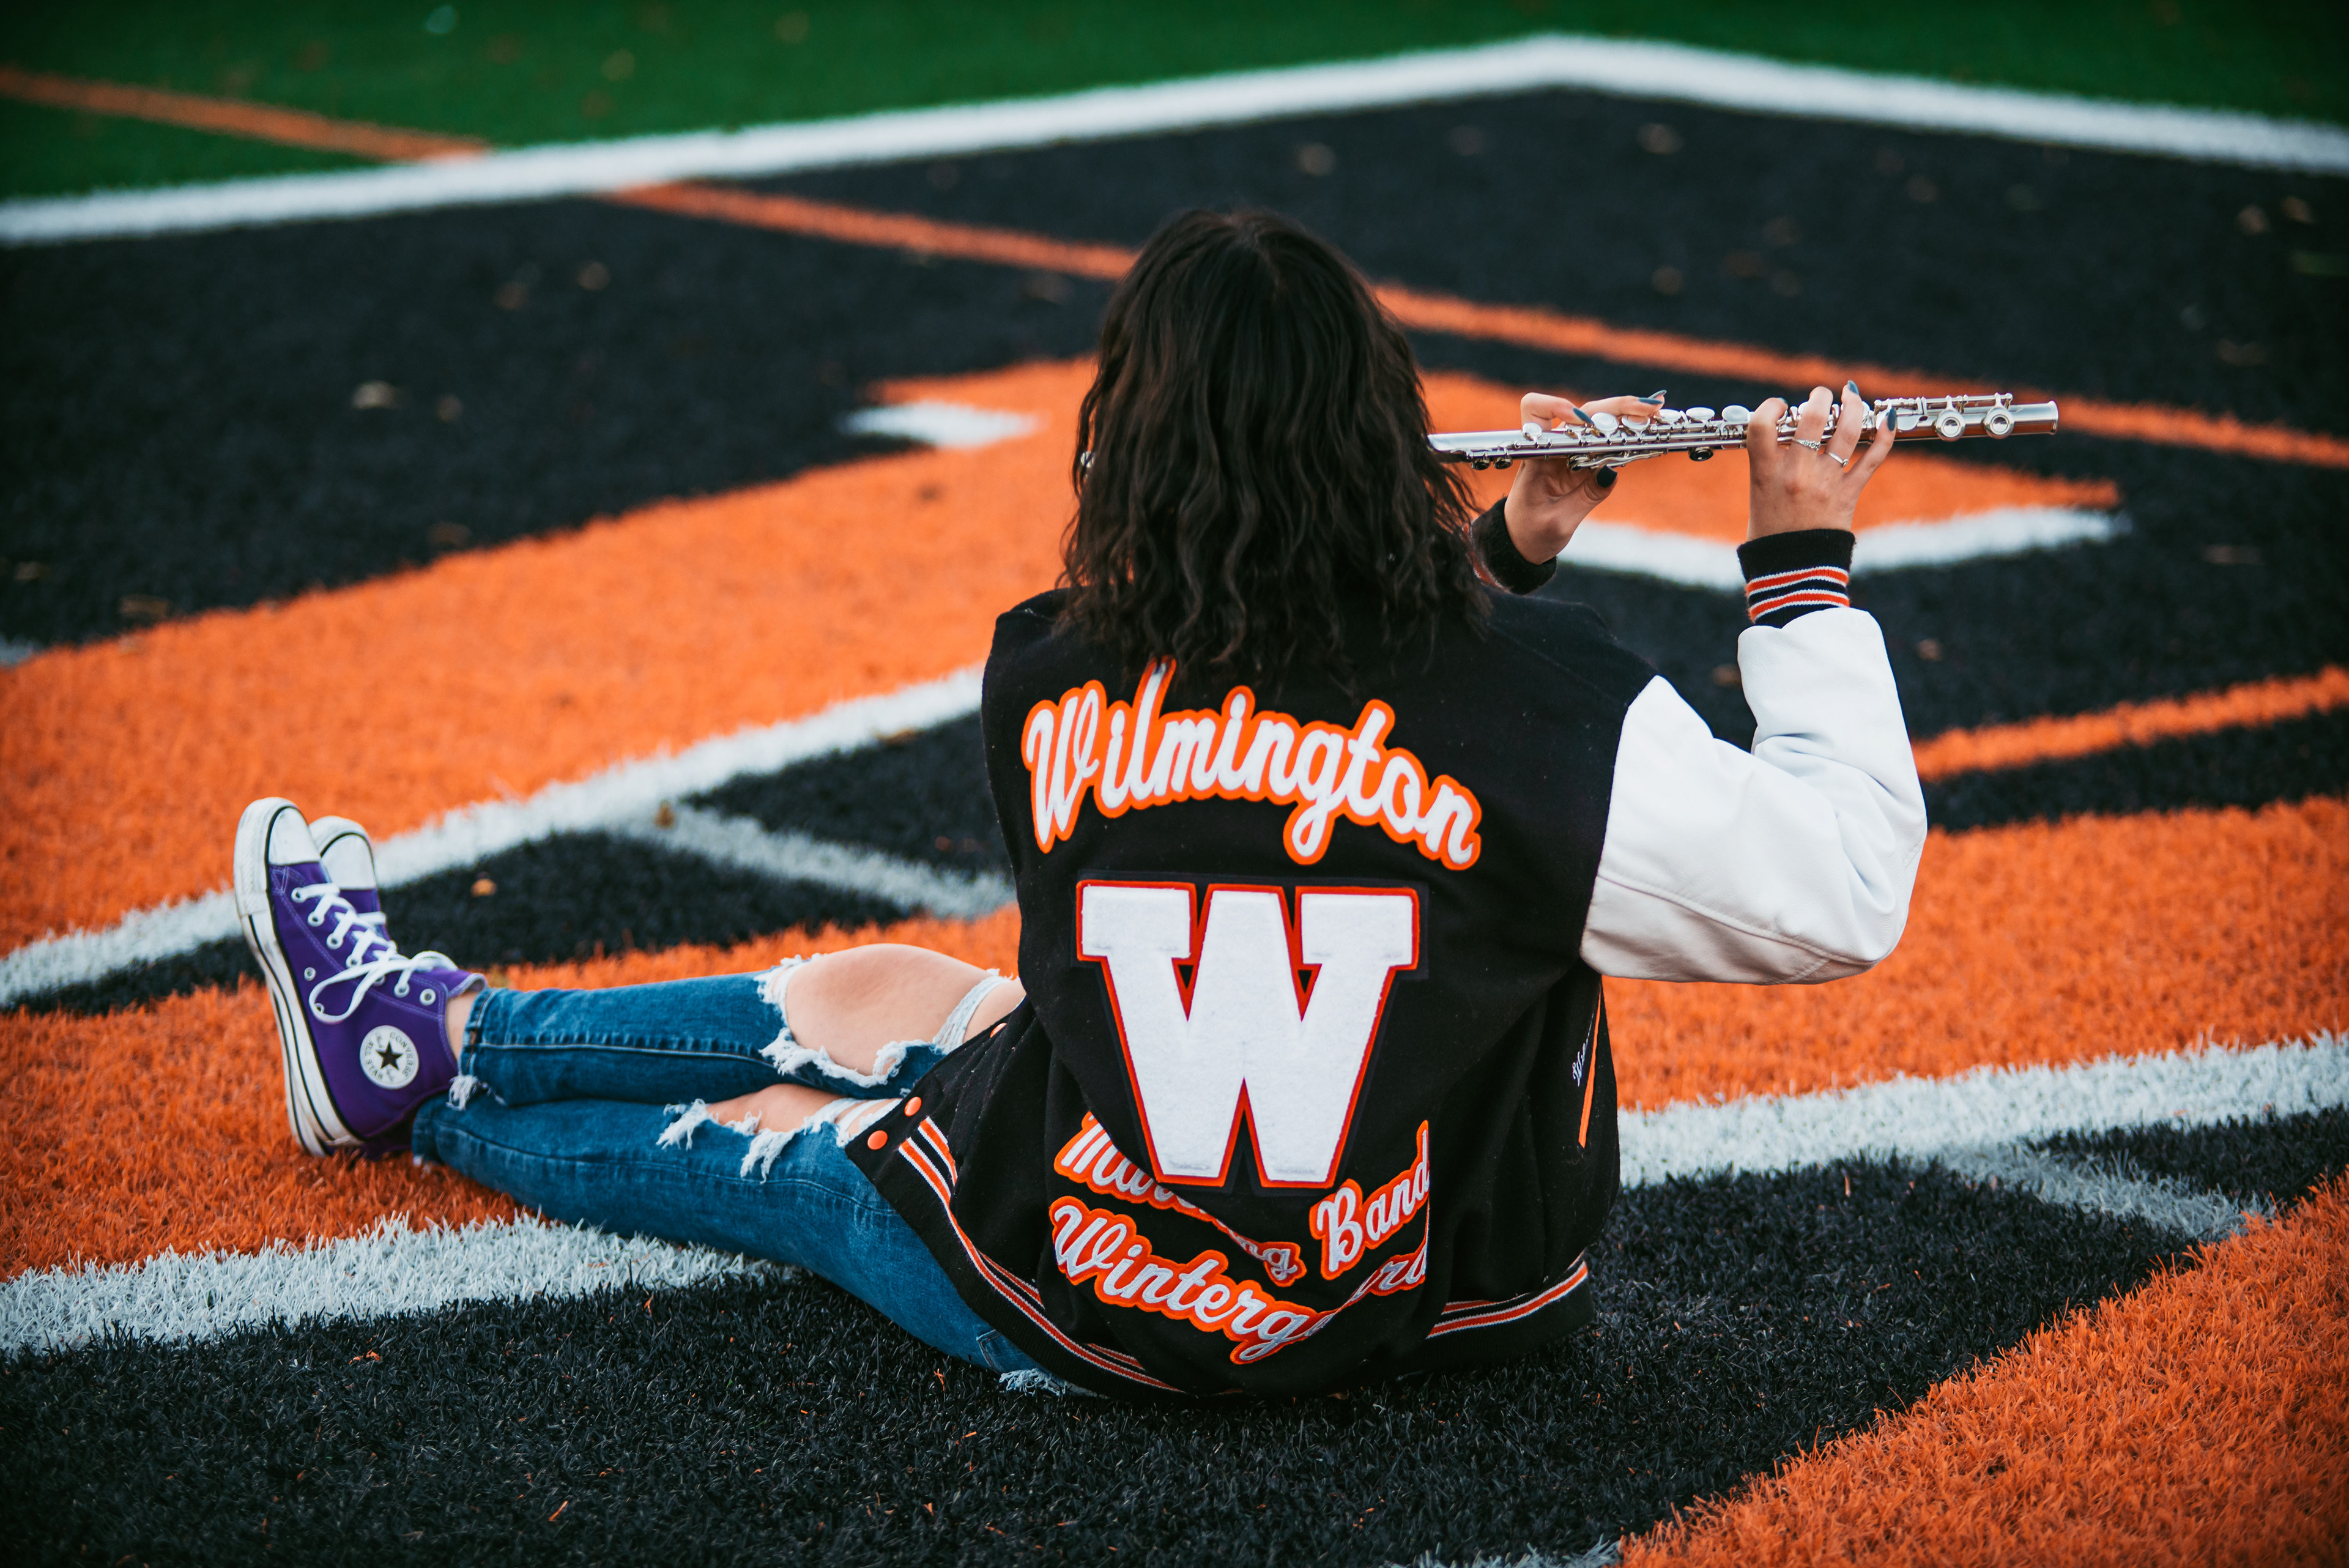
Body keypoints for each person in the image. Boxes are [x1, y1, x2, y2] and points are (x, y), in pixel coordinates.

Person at [234, 207, 1924, 1399]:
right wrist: (1793, 570)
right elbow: (1831, 886)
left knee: (786, 1139)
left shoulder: (1050, 668)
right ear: (1383, 427)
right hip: (1426, 1279)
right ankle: (430, 1033)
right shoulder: (1543, 708)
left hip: (1094, 1272)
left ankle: (420, 1078)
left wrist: (1498, 550)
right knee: (883, 991)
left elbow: (1309, 705)